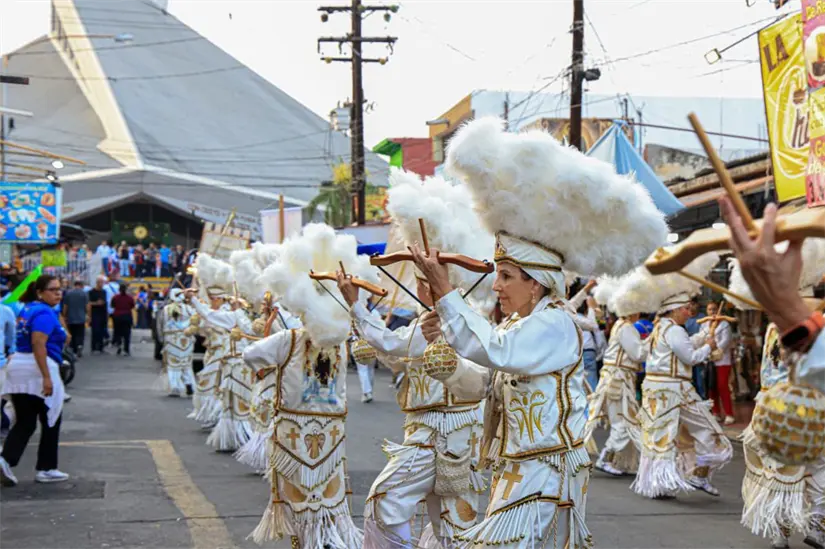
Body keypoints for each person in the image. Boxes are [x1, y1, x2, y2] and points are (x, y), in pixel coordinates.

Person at [411, 117, 668, 548]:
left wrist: (445, 293)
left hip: (545, 472)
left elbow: (498, 351)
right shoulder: (519, 324)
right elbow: (484, 387)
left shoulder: (555, 323)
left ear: (536, 282)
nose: (496, 286)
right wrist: (442, 353)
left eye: (506, 276)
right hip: (516, 470)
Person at [341, 170, 495, 548]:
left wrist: (447, 338)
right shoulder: (422, 324)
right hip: (422, 433)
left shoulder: (473, 321)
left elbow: (485, 377)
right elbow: (388, 343)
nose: (420, 285)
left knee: (454, 527)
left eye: (429, 277)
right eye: (421, 277)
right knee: (388, 504)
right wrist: (355, 305)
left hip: (458, 433)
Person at [244, 224, 366, 549]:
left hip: (294, 436)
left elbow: (250, 355)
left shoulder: (289, 339)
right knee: (326, 501)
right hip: (329, 438)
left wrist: (270, 363)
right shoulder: (341, 344)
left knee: (302, 505)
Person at [727, 239, 825, 549]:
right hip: (802, 408)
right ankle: (816, 526)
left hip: (767, 407)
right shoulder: (813, 327)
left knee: (776, 471)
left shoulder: (773, 326)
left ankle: (778, 533)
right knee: (818, 469)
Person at [629, 253, 733, 500]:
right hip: (675, 390)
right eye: (686, 308)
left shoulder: (660, 328)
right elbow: (691, 358)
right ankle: (698, 473)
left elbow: (675, 348)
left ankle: (659, 483)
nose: (690, 312)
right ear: (675, 310)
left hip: (657, 388)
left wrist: (702, 338)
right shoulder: (674, 329)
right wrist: (708, 346)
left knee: (661, 437)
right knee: (709, 433)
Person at [0, 274, 68, 487]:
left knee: (26, 421)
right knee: (51, 417)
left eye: (59, 289)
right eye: (52, 289)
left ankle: (5, 460)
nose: (58, 293)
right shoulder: (44, 313)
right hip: (37, 367)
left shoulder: (28, 310)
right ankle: (46, 468)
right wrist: (46, 377)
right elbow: (38, 343)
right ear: (40, 292)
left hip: (19, 367)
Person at [583, 276, 648, 477]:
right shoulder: (626, 327)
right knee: (623, 423)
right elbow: (638, 354)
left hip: (619, 380)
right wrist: (652, 343)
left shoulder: (621, 325)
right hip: (618, 382)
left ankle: (620, 461)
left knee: (626, 422)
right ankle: (606, 458)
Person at [699, 301, 735, 425]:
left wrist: (714, 349)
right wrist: (706, 350)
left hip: (722, 360)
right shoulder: (704, 325)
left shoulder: (725, 325)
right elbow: (701, 339)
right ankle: (716, 413)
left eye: (714, 309)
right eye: (710, 310)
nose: (713, 312)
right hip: (709, 360)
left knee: (722, 386)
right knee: (711, 387)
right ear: (707, 312)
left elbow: (725, 341)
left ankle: (729, 414)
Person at [157, 288, 196, 397]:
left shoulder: (165, 310)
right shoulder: (189, 309)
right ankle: (189, 384)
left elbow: (159, 326)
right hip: (186, 341)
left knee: (173, 365)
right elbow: (196, 324)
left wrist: (161, 339)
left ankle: (175, 386)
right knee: (186, 364)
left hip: (171, 341)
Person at [0, 299, 17, 436]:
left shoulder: (5, 311)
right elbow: (12, 336)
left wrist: (11, 351)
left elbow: (12, 336)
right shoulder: (5, 311)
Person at [61, 279, 88, 357]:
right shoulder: (84, 294)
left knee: (72, 333)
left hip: (71, 318)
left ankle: (74, 349)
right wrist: (88, 315)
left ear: (74, 285)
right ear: (81, 286)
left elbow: (65, 306)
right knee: (80, 333)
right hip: (81, 317)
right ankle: (79, 345)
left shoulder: (68, 294)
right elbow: (87, 306)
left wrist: (64, 315)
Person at [111, 283, 135, 356]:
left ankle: (119, 345)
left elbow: (112, 305)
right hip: (127, 316)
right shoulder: (130, 298)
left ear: (119, 290)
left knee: (117, 332)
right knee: (127, 334)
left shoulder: (115, 297)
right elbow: (132, 306)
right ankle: (126, 350)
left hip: (117, 316)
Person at [88, 276, 108, 354]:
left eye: (103, 282)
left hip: (102, 312)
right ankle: (93, 347)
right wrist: (96, 303)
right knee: (95, 330)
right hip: (94, 313)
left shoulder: (104, 292)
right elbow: (89, 303)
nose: (102, 284)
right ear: (97, 282)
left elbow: (105, 302)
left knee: (102, 330)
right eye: (101, 282)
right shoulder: (91, 292)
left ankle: (100, 347)